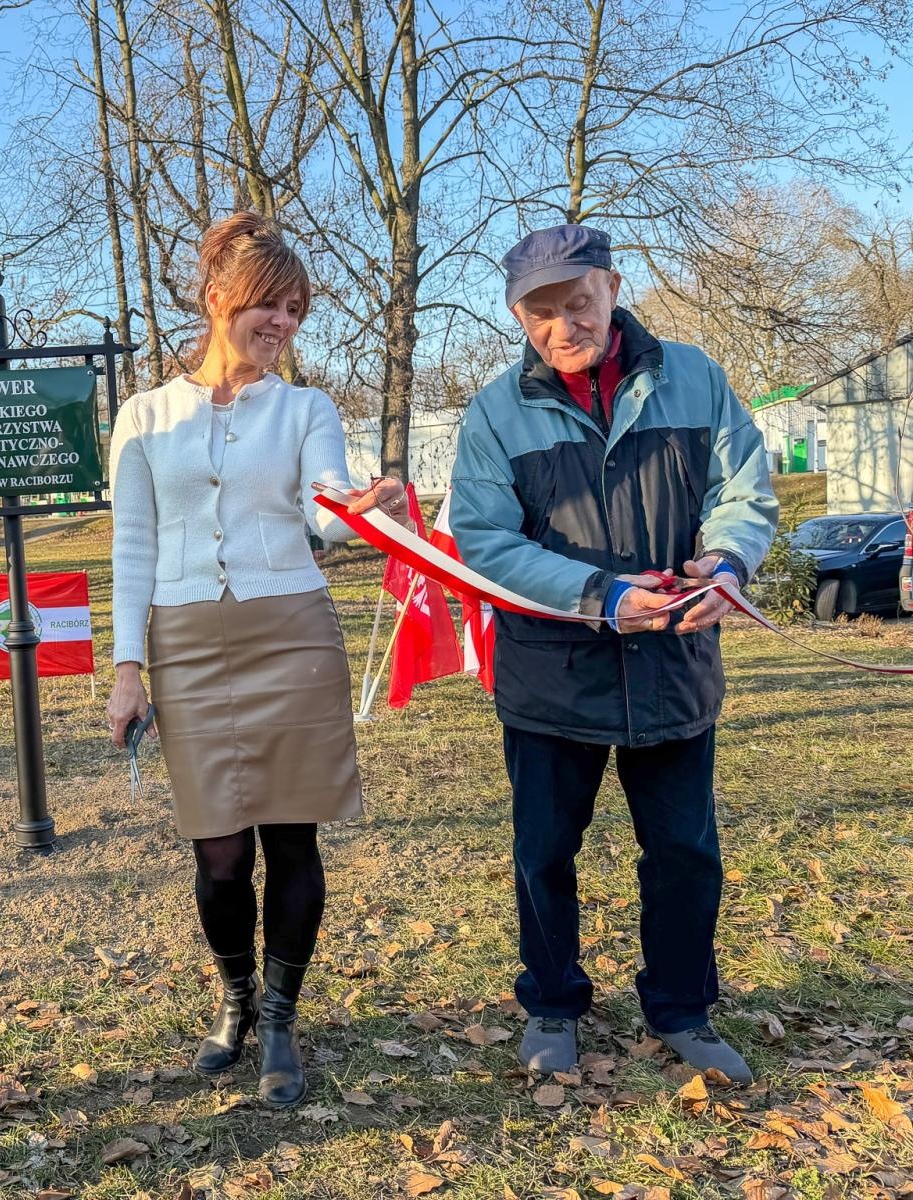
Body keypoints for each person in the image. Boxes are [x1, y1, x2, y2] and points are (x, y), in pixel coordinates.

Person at [449, 223, 778, 1084]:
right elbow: (483, 538)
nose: (565, 325)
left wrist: (728, 563)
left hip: (673, 671)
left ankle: (683, 1010)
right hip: (551, 675)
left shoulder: (696, 378)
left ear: (613, 287)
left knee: (684, 855)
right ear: (520, 317)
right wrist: (601, 598)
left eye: (579, 302)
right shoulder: (494, 411)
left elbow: (745, 488)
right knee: (544, 854)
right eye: (541, 311)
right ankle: (552, 1004)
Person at [105, 212, 403, 1107]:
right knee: (220, 850)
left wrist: (360, 505)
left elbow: (322, 503)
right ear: (216, 301)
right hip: (187, 641)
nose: (281, 322)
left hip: (293, 633)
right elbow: (132, 546)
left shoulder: (307, 408)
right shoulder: (145, 415)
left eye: (295, 309)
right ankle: (234, 994)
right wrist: (128, 668)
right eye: (265, 305)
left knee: (292, 834)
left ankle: (280, 1017)